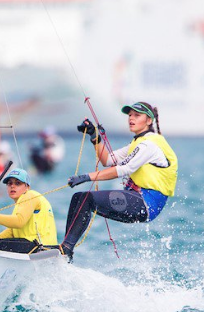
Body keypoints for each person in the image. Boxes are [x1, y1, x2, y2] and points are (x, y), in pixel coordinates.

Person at [60, 101, 177, 260]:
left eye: (137, 115)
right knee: (78, 198)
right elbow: (107, 160)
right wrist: (94, 135)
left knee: (87, 199)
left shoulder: (150, 144)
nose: (131, 118)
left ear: (149, 120)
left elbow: (124, 169)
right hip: (136, 199)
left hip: (146, 204)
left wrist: (86, 177)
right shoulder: (137, 143)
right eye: (130, 115)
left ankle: (66, 250)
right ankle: (65, 248)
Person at [0, 168, 58, 253]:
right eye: (9, 183)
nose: (12, 186)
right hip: (40, 250)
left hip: (42, 249)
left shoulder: (30, 195)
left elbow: (19, 221)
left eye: (18, 183)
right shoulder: (19, 210)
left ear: (27, 187)